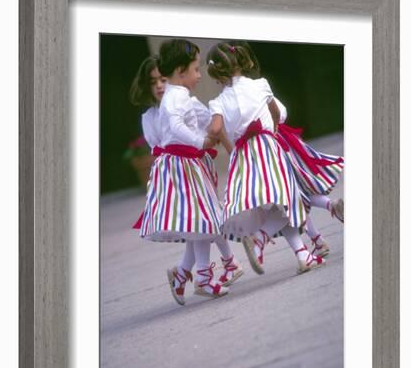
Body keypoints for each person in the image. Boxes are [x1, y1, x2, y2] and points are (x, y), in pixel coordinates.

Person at [129, 55, 243, 305]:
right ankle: (204, 275)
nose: (160, 86)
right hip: (175, 172)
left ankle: (183, 274)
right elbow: (159, 145)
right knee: (200, 223)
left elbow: (209, 125)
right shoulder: (149, 116)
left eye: (162, 79)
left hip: (195, 166)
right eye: (153, 82)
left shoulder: (186, 102)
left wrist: (214, 141)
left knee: (200, 223)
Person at [206, 42, 325, 275]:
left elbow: (217, 128)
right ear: (240, 61)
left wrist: (211, 131)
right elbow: (277, 113)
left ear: (216, 73)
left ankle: (303, 255)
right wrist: (273, 129)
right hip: (268, 148)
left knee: (276, 208)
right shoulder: (261, 85)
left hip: (244, 158)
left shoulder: (217, 102)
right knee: (287, 201)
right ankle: (260, 239)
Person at [227, 41, 344, 263]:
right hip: (280, 143)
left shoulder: (247, 92)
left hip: (272, 148)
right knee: (292, 195)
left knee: (290, 197)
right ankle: (319, 235)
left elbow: (276, 114)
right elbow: (282, 112)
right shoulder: (258, 87)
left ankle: (316, 231)